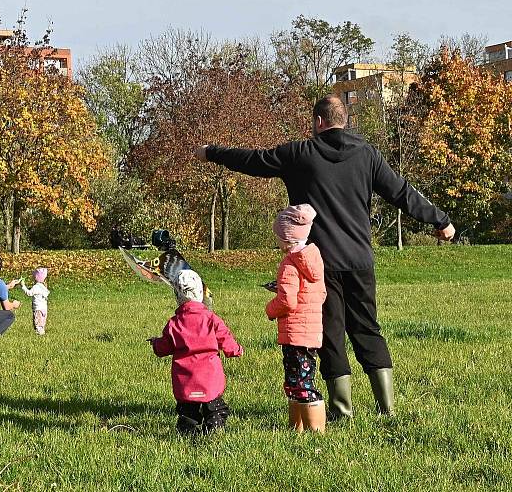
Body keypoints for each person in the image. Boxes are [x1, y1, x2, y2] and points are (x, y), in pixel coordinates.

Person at [195, 95, 456, 419]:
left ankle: (341, 409)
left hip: (320, 265)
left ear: (318, 122)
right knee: (367, 329)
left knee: (331, 334)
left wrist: (212, 153)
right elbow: (401, 192)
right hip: (360, 260)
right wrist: (440, 220)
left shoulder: (299, 154)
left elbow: (253, 160)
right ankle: (386, 407)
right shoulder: (368, 155)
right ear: (344, 120)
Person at [149, 269, 243, 435]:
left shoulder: (174, 323)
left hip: (185, 381)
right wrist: (236, 350)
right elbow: (226, 339)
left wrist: (156, 344)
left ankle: (187, 430)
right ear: (200, 293)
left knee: (187, 412)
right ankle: (214, 429)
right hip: (210, 379)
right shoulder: (212, 319)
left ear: (177, 296)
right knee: (215, 408)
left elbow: (164, 347)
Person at [266, 204, 327, 432]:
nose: (277, 241)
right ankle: (296, 428)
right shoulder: (313, 259)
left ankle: (315, 432)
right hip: (310, 332)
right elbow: (320, 294)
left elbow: (287, 301)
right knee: (297, 380)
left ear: (287, 238)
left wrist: (271, 309)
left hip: (295, 333)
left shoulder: (289, 264)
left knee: (301, 383)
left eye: (278, 237)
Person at [20, 267, 50, 335]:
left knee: (37, 323)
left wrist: (23, 286)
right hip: (44, 309)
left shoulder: (36, 287)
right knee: (41, 323)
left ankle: (40, 335)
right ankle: (42, 332)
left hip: (38, 309)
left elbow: (29, 293)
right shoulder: (44, 287)